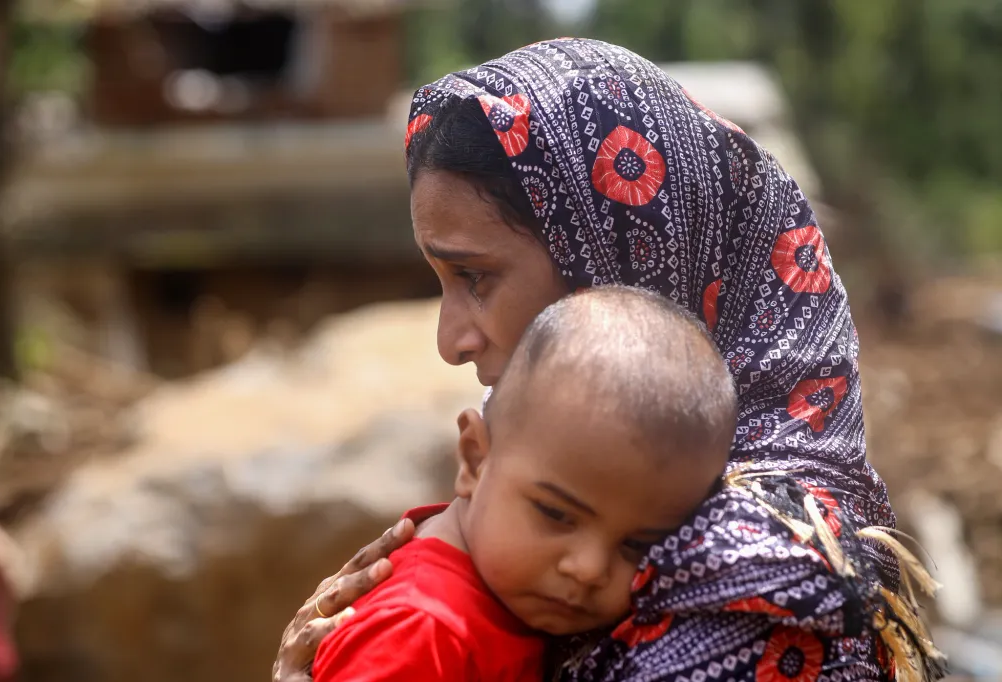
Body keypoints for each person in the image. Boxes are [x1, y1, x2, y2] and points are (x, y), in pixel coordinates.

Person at [274, 38, 945, 682]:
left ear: (609, 253)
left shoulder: (758, 588)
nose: (451, 343)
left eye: (475, 277)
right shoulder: (561, 518)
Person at [311, 286, 738, 681]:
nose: (588, 569)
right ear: (475, 460)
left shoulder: (496, 597)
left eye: (637, 545)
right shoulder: (423, 631)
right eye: (555, 513)